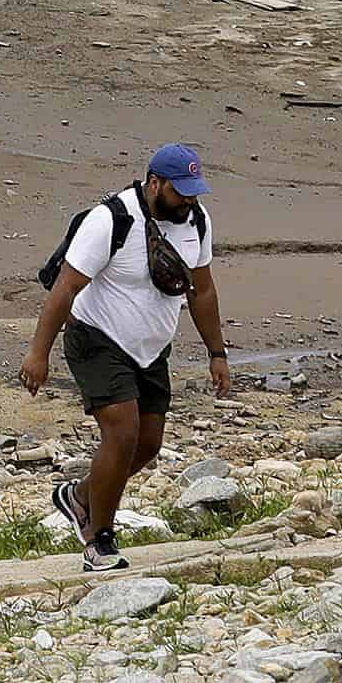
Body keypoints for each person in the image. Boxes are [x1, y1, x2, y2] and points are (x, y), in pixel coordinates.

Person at [28, 143, 230, 570]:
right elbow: (64, 288)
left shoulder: (196, 220)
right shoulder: (111, 220)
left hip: (151, 349)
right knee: (121, 435)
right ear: (154, 183)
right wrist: (38, 354)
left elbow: (203, 290)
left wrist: (217, 353)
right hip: (96, 339)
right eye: (181, 192)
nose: (189, 201)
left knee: (147, 445)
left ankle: (81, 496)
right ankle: (99, 541)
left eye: (195, 192)